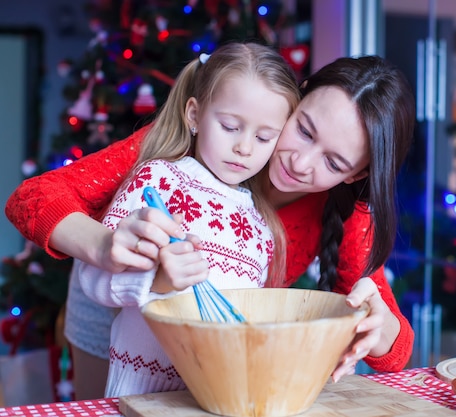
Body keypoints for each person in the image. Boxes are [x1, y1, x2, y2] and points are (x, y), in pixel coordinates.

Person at [6, 53, 416, 399]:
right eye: (305, 130)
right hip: (115, 303)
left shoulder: (346, 216)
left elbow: (396, 351)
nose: (300, 163)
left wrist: (377, 329)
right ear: (297, 96)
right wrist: (105, 247)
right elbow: (33, 198)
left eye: (334, 163)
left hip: (207, 336)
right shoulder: (204, 136)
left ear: (354, 176)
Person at [78, 41, 300, 397]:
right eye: (230, 126)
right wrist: (157, 281)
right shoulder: (159, 180)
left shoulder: (260, 227)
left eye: (263, 137)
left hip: (216, 394)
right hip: (141, 393)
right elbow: (94, 279)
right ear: (194, 115)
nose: (245, 147)